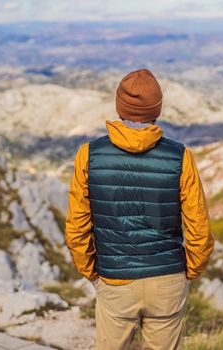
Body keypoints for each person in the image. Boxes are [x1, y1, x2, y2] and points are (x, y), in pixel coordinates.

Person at [65, 68, 215, 350]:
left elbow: (77, 227)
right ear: (156, 109)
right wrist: (187, 273)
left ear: (119, 106)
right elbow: (199, 228)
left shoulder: (89, 154)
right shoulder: (181, 156)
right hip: (167, 281)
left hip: (115, 280)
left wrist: (93, 274)